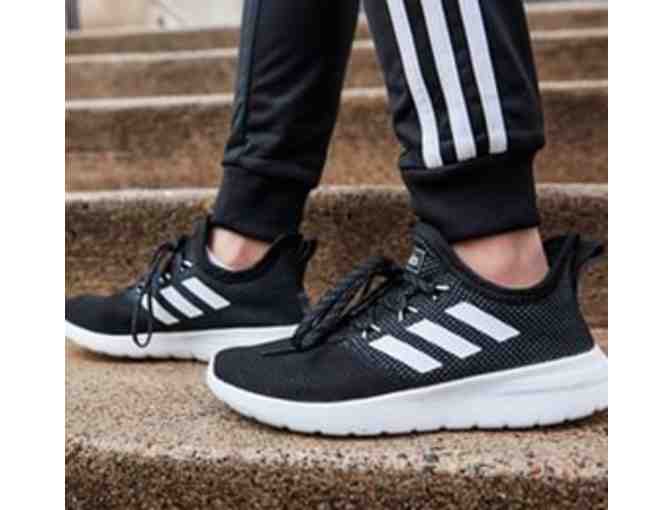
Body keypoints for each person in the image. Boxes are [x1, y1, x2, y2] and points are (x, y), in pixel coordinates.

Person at [66, 0, 608, 435]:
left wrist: (479, 202)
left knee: (487, 236)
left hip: (498, 281)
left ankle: (496, 268)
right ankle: (242, 249)